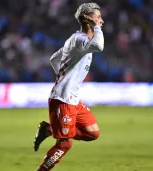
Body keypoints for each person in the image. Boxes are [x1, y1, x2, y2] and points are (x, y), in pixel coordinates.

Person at [34, 2, 104, 171]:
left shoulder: (78, 41)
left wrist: (65, 77)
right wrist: (97, 28)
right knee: (65, 144)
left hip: (72, 98)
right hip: (62, 99)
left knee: (92, 133)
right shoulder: (78, 40)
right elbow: (99, 46)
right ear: (88, 20)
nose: (101, 21)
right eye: (98, 17)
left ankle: (49, 129)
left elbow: (54, 59)